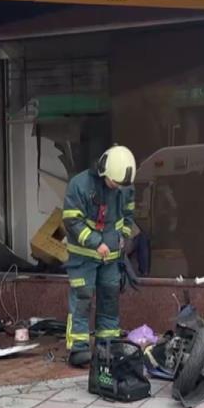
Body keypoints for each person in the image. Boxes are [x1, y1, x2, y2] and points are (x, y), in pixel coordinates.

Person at [61, 145, 138, 367]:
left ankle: (108, 346)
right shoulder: (80, 185)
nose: (118, 188)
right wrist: (96, 242)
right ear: (104, 171)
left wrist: (123, 237)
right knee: (82, 300)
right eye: (115, 183)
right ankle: (78, 349)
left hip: (112, 258)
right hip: (83, 257)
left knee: (109, 299)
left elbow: (128, 215)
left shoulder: (124, 186)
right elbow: (72, 220)